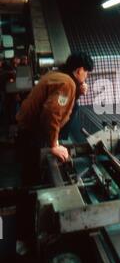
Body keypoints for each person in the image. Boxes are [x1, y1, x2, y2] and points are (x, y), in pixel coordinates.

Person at [16, 51, 94, 187]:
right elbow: (51, 113)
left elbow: (62, 103)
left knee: (28, 174)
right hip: (31, 134)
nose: (86, 76)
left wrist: (77, 93)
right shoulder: (67, 83)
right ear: (80, 70)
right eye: (86, 72)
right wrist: (53, 145)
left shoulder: (56, 75)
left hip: (26, 128)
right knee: (32, 181)